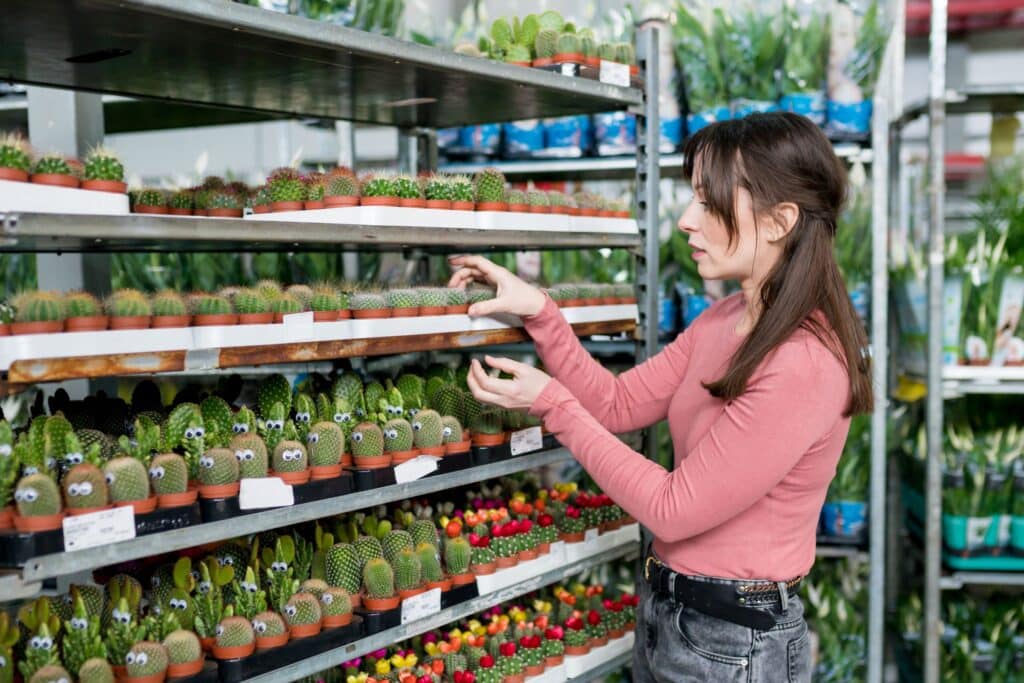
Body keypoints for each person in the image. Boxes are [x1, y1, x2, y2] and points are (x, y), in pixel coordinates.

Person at [447, 112, 873, 682]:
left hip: (734, 642)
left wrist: (553, 404)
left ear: (780, 220)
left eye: (708, 201)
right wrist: (539, 313)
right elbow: (619, 404)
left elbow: (674, 510)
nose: (685, 221)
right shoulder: (724, 318)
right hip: (670, 615)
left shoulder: (805, 361)